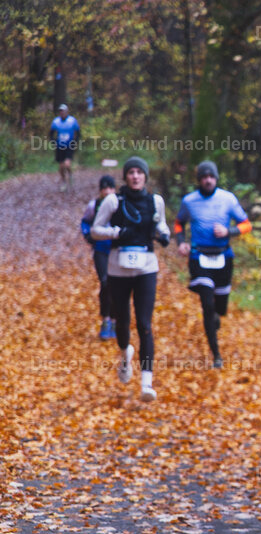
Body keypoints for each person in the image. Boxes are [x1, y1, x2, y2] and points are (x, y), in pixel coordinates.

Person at [90, 157, 171, 401]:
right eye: (131, 172)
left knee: (145, 324)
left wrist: (164, 235)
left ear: (145, 176)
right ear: (125, 177)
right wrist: (116, 232)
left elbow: (162, 225)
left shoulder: (156, 201)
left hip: (146, 266)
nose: (135, 176)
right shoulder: (114, 201)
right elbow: (95, 229)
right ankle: (126, 353)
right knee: (123, 322)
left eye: (139, 172)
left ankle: (147, 383)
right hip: (118, 268)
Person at [173, 160, 252, 369]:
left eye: (211, 176)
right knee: (207, 305)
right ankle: (216, 354)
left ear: (216, 178)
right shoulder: (189, 201)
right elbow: (178, 223)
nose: (208, 180)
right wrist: (181, 243)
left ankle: (217, 316)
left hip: (223, 257)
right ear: (199, 179)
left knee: (219, 308)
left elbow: (246, 225)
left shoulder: (228, 199)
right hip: (199, 257)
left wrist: (229, 232)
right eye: (204, 177)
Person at [80, 175, 118, 339]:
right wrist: (88, 235)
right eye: (104, 188)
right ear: (100, 190)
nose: (107, 191)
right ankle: (106, 319)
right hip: (101, 250)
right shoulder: (93, 205)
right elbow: (85, 221)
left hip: (117, 249)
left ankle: (116, 320)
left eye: (110, 188)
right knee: (105, 282)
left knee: (118, 285)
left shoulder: (119, 204)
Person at [49, 104, 80, 192]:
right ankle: (63, 181)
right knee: (61, 167)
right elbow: (51, 133)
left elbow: (78, 132)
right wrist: (53, 142)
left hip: (69, 146)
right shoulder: (56, 121)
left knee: (67, 164)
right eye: (60, 111)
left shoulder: (72, 121)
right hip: (59, 147)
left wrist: (75, 142)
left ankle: (70, 175)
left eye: (63, 111)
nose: (61, 113)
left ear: (67, 112)